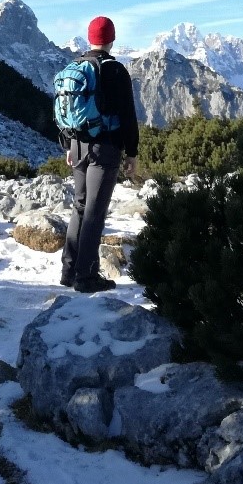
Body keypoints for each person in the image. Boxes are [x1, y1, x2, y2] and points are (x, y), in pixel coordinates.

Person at [60, 15, 140, 293]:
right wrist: (132, 152)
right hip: (105, 149)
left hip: (78, 146)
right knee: (95, 210)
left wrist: (69, 145)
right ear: (112, 38)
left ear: (90, 38)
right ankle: (87, 276)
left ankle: (69, 270)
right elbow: (128, 115)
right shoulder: (115, 70)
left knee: (80, 206)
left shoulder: (77, 66)